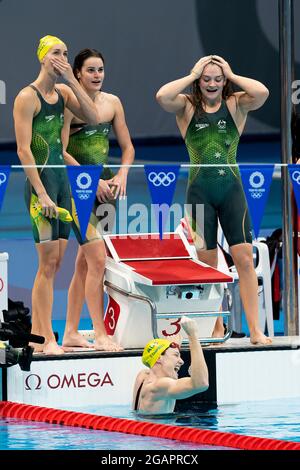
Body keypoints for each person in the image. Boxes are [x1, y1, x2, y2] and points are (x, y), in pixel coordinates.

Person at [156, 55, 271, 345]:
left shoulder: (235, 105)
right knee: (207, 265)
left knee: (244, 259)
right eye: (206, 79)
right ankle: (217, 326)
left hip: (232, 191)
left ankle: (256, 330)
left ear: (224, 82)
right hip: (199, 193)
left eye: (217, 79)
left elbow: (262, 92)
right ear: (198, 81)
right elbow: (162, 96)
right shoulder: (187, 107)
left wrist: (231, 73)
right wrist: (192, 72)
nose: (211, 84)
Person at [13, 35, 99, 355]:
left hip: (62, 185)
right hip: (42, 189)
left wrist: (73, 83)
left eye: (65, 53)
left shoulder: (63, 93)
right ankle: (45, 338)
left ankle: (41, 334)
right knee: (47, 264)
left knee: (57, 262)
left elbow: (92, 116)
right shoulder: (27, 96)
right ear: (42, 57)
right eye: (55, 53)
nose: (61, 57)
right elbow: (24, 151)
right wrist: (42, 194)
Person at [61, 48, 134, 351]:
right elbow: (61, 151)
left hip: (107, 190)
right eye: (90, 70)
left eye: (100, 70)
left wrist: (122, 176)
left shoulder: (113, 103)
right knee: (98, 260)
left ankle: (69, 332)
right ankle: (99, 332)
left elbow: (128, 147)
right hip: (79, 189)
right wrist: (92, 181)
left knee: (85, 264)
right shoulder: (69, 104)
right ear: (77, 73)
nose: (96, 76)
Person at [132, 316, 209, 414]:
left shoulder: (142, 377)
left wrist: (173, 349)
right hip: (159, 429)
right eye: (176, 355)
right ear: (159, 358)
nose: (182, 361)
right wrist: (192, 335)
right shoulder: (160, 386)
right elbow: (201, 384)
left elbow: (158, 358)